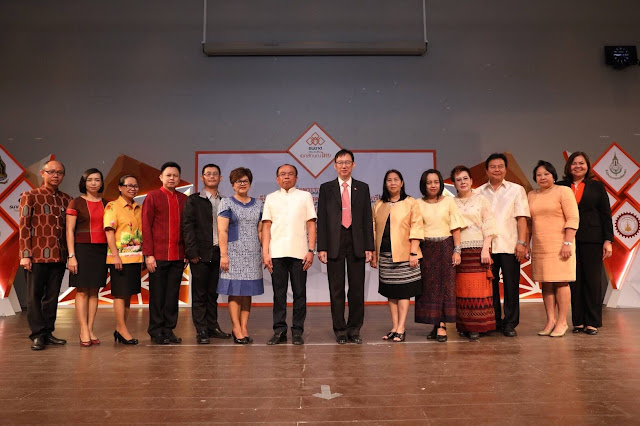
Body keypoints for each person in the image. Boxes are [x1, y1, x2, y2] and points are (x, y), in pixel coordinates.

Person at [317, 149, 375, 344]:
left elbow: (367, 218)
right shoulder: (326, 188)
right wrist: (322, 247)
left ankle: (354, 329)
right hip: (335, 242)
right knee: (336, 289)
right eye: (340, 163)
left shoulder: (362, 188)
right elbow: (322, 220)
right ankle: (340, 330)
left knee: (357, 289)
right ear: (335, 166)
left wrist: (369, 246)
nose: (344, 166)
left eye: (347, 162)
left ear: (353, 165)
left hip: (357, 241)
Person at [18, 160, 73, 350]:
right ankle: (37, 334)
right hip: (36, 255)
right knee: (34, 296)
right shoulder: (30, 195)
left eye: (60, 172)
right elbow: (24, 227)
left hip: (58, 255)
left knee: (52, 296)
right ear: (42, 173)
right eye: (51, 172)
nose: (55, 175)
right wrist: (25, 254)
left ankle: (48, 332)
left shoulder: (66, 199)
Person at [558, 152, 613, 335]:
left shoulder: (597, 186)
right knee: (575, 281)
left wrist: (608, 240)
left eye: (581, 163)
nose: (578, 166)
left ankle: (592, 322)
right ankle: (579, 321)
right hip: (568, 239)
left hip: (593, 238)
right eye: (574, 163)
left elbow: (605, 214)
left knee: (592, 280)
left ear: (587, 166)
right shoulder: (561, 186)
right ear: (569, 166)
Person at [262, 164, 317, 346]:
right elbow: (266, 227)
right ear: (277, 179)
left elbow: (311, 225)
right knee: (279, 294)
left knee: (300, 293)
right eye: (283, 174)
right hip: (276, 253)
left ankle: (298, 331)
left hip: (300, 253)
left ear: (296, 178)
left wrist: (311, 250)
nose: (286, 177)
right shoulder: (271, 198)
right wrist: (265, 252)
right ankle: (279, 331)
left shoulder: (305, 196)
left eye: (290, 174)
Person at [477, 153, 530, 337]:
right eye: (493, 166)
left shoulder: (516, 190)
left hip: (509, 245)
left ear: (506, 169)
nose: (497, 170)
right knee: (489, 287)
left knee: (511, 286)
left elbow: (522, 218)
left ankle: (510, 323)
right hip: (487, 248)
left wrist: (521, 243)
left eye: (500, 166)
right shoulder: (478, 192)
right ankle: (493, 322)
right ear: (486, 170)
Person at [527, 160, 580, 337]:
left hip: (560, 244)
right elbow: (528, 222)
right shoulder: (531, 195)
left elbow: (573, 218)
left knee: (561, 281)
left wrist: (567, 243)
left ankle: (562, 321)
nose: (542, 177)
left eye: (546, 174)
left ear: (553, 175)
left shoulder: (563, 191)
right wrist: (526, 243)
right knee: (546, 282)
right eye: (539, 175)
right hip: (540, 245)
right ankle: (551, 320)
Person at [371, 170, 423, 342]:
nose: (392, 183)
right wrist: (374, 254)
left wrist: (414, 252)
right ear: (385, 184)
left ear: (402, 183)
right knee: (391, 292)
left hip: (405, 255)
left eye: (396, 180)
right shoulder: (379, 204)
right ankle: (394, 327)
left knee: (403, 292)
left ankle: (401, 327)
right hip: (385, 255)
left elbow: (417, 227)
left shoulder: (411, 203)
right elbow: (373, 230)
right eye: (389, 180)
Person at [182, 164, 231, 344]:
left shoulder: (225, 201)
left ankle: (213, 327)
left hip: (218, 252)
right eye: (208, 174)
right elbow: (187, 227)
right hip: (200, 254)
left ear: (220, 178)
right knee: (200, 294)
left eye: (215, 174)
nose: (211, 176)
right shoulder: (194, 200)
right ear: (202, 177)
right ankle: (201, 329)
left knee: (213, 294)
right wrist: (192, 252)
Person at [415, 169, 465, 342]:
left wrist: (457, 250)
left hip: (445, 246)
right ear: (424, 185)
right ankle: (435, 324)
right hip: (426, 248)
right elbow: (415, 228)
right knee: (429, 288)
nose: (433, 185)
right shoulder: (417, 203)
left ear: (441, 183)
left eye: (436, 182)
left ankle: (442, 325)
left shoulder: (449, 201)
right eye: (429, 182)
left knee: (445, 287)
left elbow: (455, 227)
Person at [217, 167, 264, 345]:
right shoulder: (226, 203)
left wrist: (264, 251)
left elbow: (261, 230)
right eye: (238, 181)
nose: (242, 184)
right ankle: (236, 328)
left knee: (247, 293)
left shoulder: (259, 204)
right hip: (233, 253)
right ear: (232, 184)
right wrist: (224, 255)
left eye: (245, 181)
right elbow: (222, 231)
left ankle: (244, 327)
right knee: (235, 292)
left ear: (250, 183)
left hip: (253, 253)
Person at [142, 162, 187, 345]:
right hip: (158, 256)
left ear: (179, 178)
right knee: (157, 295)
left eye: (175, 175)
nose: (172, 178)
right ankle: (156, 331)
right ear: (161, 177)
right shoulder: (152, 197)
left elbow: (187, 228)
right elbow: (146, 226)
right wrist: (149, 254)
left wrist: (186, 253)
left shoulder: (184, 199)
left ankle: (169, 329)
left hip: (178, 255)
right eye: (168, 175)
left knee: (172, 296)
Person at [451, 166, 497, 340]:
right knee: (462, 289)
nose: (462, 182)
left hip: (479, 250)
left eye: (465, 178)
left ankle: (479, 325)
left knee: (478, 289)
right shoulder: (451, 202)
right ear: (454, 183)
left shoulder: (481, 199)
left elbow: (489, 223)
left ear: (471, 181)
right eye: (458, 180)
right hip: (459, 250)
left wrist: (486, 248)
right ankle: (465, 325)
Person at [66, 168, 108, 347]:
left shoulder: (107, 203)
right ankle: (83, 329)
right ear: (84, 182)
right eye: (90, 179)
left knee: (94, 291)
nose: (93, 183)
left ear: (101, 183)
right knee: (82, 291)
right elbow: (69, 231)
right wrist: (71, 256)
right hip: (81, 250)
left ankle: (90, 329)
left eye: (97, 179)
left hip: (101, 251)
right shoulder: (75, 203)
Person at [104, 175, 144, 345]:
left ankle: (121, 328)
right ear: (120, 188)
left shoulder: (139, 207)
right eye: (129, 185)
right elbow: (109, 232)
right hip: (119, 258)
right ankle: (122, 329)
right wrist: (115, 255)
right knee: (120, 294)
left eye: (135, 186)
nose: (132, 189)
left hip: (136, 257)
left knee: (128, 295)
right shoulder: (112, 206)